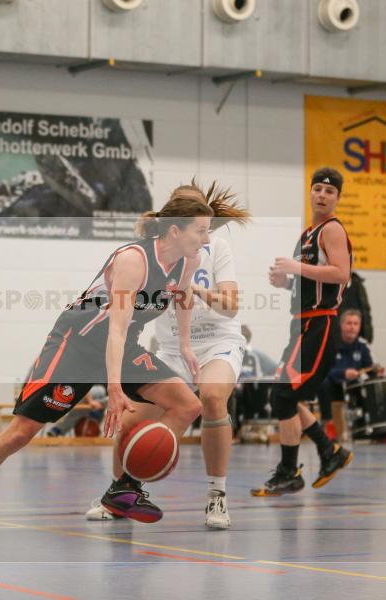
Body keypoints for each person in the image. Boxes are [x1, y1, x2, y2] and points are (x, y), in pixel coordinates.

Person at [0, 186, 227, 534]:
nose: (206, 239)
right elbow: (115, 330)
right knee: (21, 433)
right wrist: (115, 389)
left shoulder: (190, 261)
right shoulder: (134, 260)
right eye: (201, 231)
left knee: (188, 405)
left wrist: (185, 344)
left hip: (123, 346)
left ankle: (124, 487)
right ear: (175, 230)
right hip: (76, 344)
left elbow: (183, 296)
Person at [85, 183, 251, 529]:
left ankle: (217, 495)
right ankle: (120, 494)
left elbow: (231, 307)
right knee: (131, 416)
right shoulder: (156, 250)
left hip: (218, 342)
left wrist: (197, 291)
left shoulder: (216, 247)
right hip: (172, 348)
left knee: (212, 397)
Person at [251, 167, 354, 497]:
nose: (322, 195)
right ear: (310, 193)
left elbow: (342, 274)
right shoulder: (308, 234)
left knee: (284, 394)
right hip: (302, 323)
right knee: (281, 395)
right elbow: (310, 283)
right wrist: (287, 283)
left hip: (320, 324)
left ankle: (290, 471)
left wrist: (295, 267)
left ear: (337, 198)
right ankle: (328, 451)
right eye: (318, 189)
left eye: (329, 191)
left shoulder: (332, 230)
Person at [316, 309, 383, 437]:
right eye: (349, 323)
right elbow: (323, 369)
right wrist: (343, 373)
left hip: (354, 387)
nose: (352, 327)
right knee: (323, 382)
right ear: (341, 325)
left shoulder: (362, 346)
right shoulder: (330, 343)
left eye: (356, 324)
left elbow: (369, 368)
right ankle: (327, 422)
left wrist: (377, 372)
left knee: (375, 384)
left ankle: (372, 425)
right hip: (334, 384)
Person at [338, 271, 373, 343]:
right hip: (338, 331)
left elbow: (365, 311)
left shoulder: (358, 284)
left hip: (357, 334)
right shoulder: (335, 283)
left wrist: (368, 334)